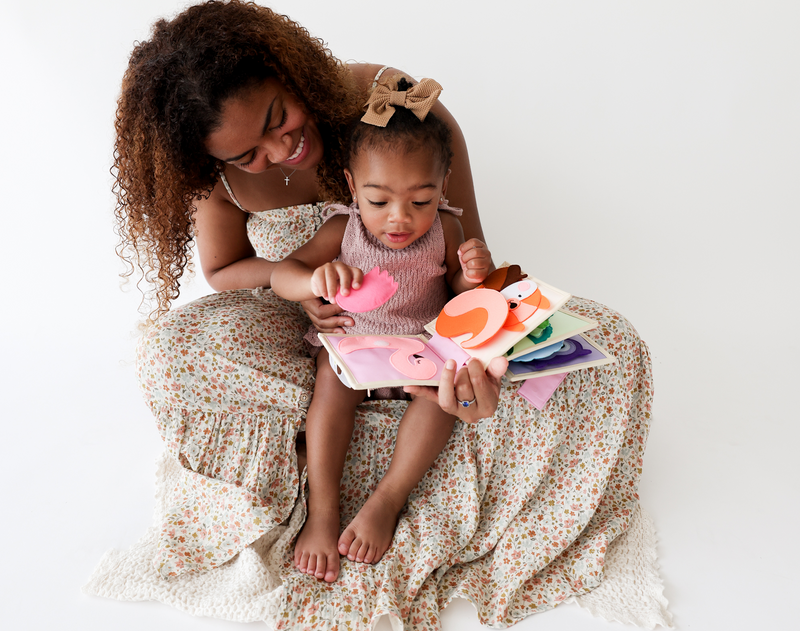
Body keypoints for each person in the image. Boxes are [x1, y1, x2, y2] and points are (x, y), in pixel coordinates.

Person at [116, 1, 653, 626]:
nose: (280, 150)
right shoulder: (220, 182)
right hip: (316, 332)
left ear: (287, 71)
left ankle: (401, 470)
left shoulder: (398, 110)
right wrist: (296, 284)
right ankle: (329, 483)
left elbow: (467, 273)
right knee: (172, 346)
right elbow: (226, 272)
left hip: (426, 326)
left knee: (610, 345)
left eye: (277, 119)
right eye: (248, 156)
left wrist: (476, 357)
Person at [270, 76, 493, 582]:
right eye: (379, 201)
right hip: (355, 345)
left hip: (420, 347)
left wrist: (471, 272)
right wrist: (314, 278)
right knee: (330, 382)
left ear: (443, 183)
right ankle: (323, 511)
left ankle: (388, 498)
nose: (400, 218)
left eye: (420, 200)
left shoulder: (448, 227)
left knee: (443, 398)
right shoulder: (341, 229)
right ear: (352, 186)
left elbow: (460, 291)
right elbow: (283, 273)